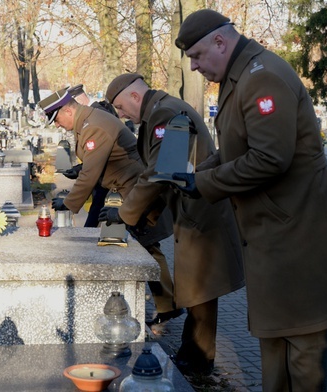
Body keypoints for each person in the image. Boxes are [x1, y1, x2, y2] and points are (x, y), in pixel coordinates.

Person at [172, 9, 327, 390]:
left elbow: (269, 159)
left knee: (303, 345)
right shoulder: (241, 77)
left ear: (220, 42)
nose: (193, 67)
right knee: (275, 339)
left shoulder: (263, 78)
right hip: (276, 236)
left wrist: (205, 184)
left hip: (300, 236)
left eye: (196, 56)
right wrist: (194, 176)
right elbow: (232, 149)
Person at [101, 73, 245, 376]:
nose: (123, 116)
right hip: (195, 208)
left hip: (200, 210)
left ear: (135, 97)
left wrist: (126, 214)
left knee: (201, 288)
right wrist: (140, 215)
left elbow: (161, 169)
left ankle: (198, 359)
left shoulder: (164, 113)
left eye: (122, 108)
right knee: (198, 288)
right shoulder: (161, 110)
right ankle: (194, 354)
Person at [37, 88, 182, 328]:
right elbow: (99, 160)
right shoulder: (88, 120)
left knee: (147, 246)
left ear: (68, 110)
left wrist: (70, 203)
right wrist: (79, 169)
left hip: (135, 191)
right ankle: (168, 304)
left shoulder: (92, 126)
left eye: (57, 119)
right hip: (129, 188)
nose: (58, 126)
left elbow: (92, 172)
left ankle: (168, 305)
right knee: (147, 247)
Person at [63, 84, 115, 228]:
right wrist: (79, 168)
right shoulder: (94, 112)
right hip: (102, 173)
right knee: (97, 213)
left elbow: (101, 153)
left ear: (78, 101)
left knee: (97, 215)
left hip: (108, 175)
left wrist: (69, 202)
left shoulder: (97, 113)